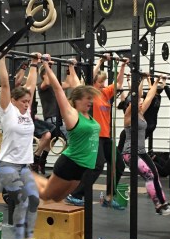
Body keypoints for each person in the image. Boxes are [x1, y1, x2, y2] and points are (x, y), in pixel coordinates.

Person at [0, 53, 46, 239]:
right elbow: (4, 84)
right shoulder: (8, 111)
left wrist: (35, 63)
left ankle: (29, 238)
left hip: (24, 166)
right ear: (14, 101)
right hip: (7, 166)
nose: (27, 104)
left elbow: (31, 86)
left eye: (28, 101)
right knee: (23, 202)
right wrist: (1, 58)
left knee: (34, 200)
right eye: (23, 101)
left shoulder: (26, 112)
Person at [32, 58, 101, 203]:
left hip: (82, 167)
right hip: (70, 164)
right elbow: (58, 89)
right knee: (45, 195)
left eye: (91, 98)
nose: (91, 101)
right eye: (88, 98)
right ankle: (25, 174)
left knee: (57, 198)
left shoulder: (87, 115)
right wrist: (46, 65)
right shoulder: (72, 115)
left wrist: (71, 67)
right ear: (78, 100)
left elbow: (77, 86)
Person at [65, 54, 127, 209]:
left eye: (104, 82)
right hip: (94, 136)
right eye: (100, 82)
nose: (103, 84)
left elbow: (119, 83)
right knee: (98, 166)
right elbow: (89, 78)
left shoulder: (105, 93)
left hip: (106, 137)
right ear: (94, 82)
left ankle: (109, 197)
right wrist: (100, 61)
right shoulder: (90, 95)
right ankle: (75, 195)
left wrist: (122, 66)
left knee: (119, 164)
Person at [123, 74, 170, 216]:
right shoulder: (129, 116)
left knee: (156, 175)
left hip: (141, 152)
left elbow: (150, 95)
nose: (141, 102)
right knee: (149, 175)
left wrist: (156, 81)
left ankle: (164, 204)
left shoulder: (141, 112)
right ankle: (158, 206)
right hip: (130, 153)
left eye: (141, 101)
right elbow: (136, 96)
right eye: (138, 101)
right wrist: (139, 80)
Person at [35, 58, 81, 174]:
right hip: (52, 118)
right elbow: (48, 82)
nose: (52, 75)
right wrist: (47, 66)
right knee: (70, 138)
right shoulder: (42, 86)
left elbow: (69, 84)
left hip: (58, 118)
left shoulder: (54, 85)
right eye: (49, 74)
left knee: (51, 141)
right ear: (44, 75)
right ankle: (66, 165)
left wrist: (69, 68)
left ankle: (40, 161)